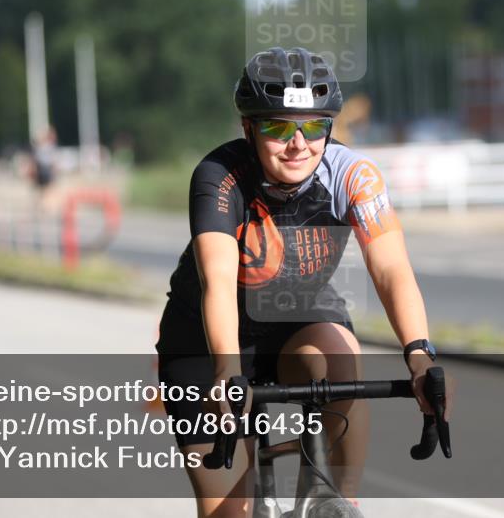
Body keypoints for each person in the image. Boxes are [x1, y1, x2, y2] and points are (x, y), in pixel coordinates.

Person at [155, 47, 449, 517]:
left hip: (297, 317)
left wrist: (419, 354)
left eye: (313, 127)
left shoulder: (353, 175)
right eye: (277, 127)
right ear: (248, 128)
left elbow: (392, 269)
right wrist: (226, 372)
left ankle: (339, 502)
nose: (297, 143)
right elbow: (217, 280)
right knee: (229, 512)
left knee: (339, 357)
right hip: (205, 339)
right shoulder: (219, 176)